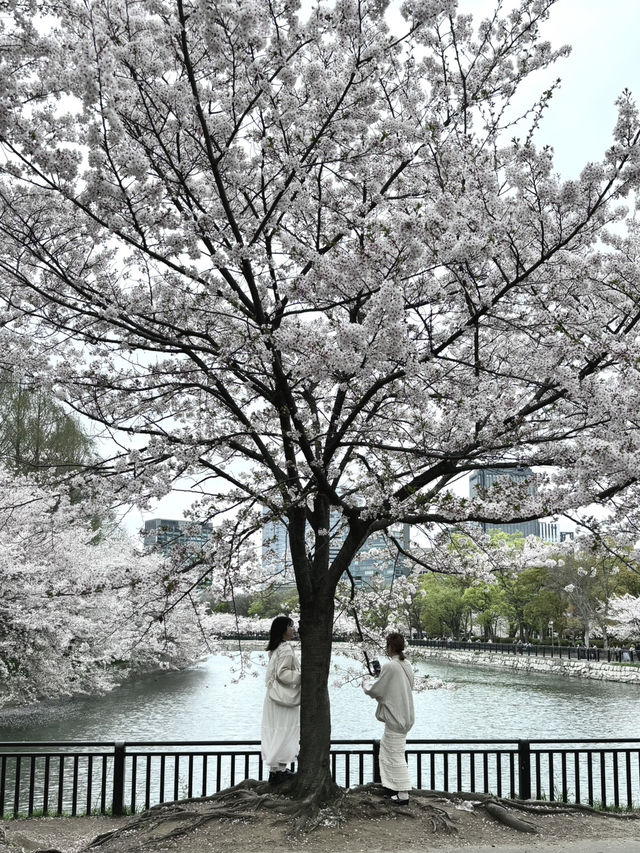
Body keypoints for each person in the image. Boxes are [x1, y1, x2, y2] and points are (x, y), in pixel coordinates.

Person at [363, 632, 414, 806]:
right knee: (390, 752)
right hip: (406, 716)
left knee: (394, 755)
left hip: (395, 718)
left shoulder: (391, 666)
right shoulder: (406, 664)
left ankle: (403, 793)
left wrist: (367, 684)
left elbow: (377, 690)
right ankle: (396, 789)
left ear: (389, 647)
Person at [261, 616, 300, 786]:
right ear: (283, 629)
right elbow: (283, 674)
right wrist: (302, 675)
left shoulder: (275, 648)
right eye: (291, 626)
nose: (293, 629)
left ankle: (275, 772)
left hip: (273, 697)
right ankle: (281, 771)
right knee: (286, 731)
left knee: (276, 731)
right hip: (284, 699)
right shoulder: (285, 649)